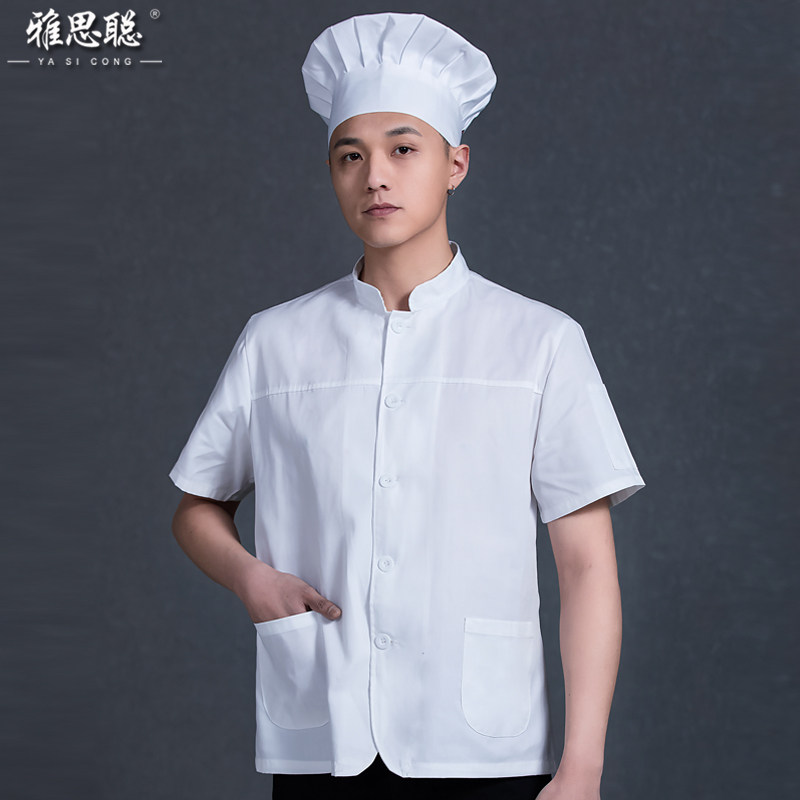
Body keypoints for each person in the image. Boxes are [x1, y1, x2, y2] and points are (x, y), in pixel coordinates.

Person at [169, 11, 645, 800]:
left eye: (402, 149)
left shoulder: (539, 342)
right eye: (349, 156)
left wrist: (583, 765)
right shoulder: (276, 342)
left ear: (455, 164)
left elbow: (587, 565)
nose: (375, 177)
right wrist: (250, 578)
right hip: (324, 741)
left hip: (481, 747)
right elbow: (197, 505)